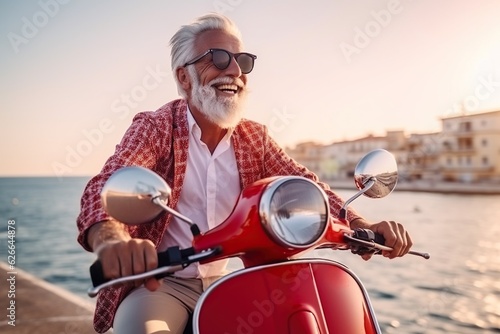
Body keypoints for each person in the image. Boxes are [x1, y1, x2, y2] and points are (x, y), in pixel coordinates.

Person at [77, 12, 413, 334]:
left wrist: (360, 225)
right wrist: (112, 241)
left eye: (243, 61)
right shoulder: (156, 127)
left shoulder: (255, 137)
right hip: (163, 285)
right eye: (219, 58)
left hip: (232, 282)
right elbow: (108, 183)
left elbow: (304, 184)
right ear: (184, 76)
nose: (235, 70)